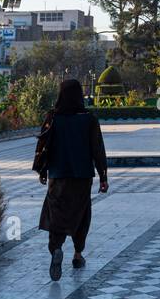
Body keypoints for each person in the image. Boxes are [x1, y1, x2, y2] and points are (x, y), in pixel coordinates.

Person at [35, 78, 108, 281]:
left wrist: (42, 171)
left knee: (56, 215)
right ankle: (77, 254)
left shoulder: (53, 118)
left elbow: (43, 147)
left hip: (58, 176)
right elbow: (98, 149)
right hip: (83, 176)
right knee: (81, 215)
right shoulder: (89, 119)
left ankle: (56, 248)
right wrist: (103, 175)